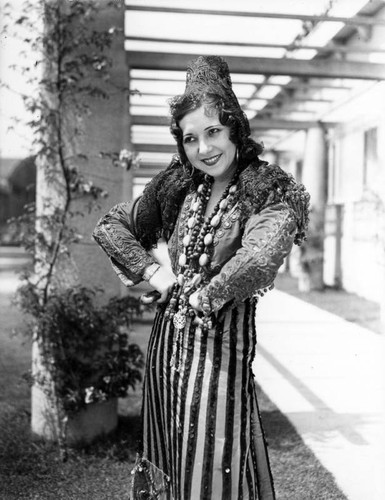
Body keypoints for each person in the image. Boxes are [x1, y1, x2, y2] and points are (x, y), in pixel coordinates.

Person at [93, 55, 310, 500]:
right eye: (190, 138)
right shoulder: (178, 184)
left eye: (213, 132)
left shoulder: (266, 185)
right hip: (166, 348)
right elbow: (110, 227)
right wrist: (157, 275)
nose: (204, 148)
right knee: (170, 449)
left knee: (215, 457)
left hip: (220, 350)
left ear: (234, 128)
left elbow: (261, 255)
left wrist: (202, 296)